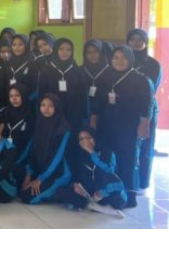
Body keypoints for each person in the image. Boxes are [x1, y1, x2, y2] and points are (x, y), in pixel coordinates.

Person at [90, 46, 152, 208]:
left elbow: (146, 105)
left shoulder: (140, 79)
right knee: (106, 158)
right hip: (106, 125)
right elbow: (97, 102)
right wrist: (93, 120)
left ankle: (130, 196)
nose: (119, 61)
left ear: (130, 59)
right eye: (116, 57)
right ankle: (109, 193)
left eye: (123, 57)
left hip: (129, 127)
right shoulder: (105, 77)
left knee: (127, 160)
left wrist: (144, 124)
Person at [57, 128, 127, 218]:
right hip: (91, 195)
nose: (85, 141)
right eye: (81, 139)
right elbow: (75, 177)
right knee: (61, 191)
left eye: (88, 137)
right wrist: (75, 185)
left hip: (110, 195)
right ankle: (97, 207)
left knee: (111, 180)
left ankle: (91, 206)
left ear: (95, 137)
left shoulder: (107, 153)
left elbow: (109, 171)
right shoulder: (79, 157)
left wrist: (92, 152)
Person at [19, 94, 73, 206]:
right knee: (19, 188)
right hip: (41, 170)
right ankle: (55, 192)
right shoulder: (38, 123)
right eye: (43, 105)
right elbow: (33, 152)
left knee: (27, 197)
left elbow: (57, 158)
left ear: (57, 107)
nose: (46, 109)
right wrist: (28, 176)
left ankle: (61, 191)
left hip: (58, 173)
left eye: (51, 106)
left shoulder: (64, 128)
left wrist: (40, 179)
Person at [128, 28, 164, 184]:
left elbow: (152, 88)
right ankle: (129, 178)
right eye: (133, 39)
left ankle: (143, 180)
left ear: (145, 42)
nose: (136, 43)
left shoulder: (153, 64)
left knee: (146, 145)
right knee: (128, 144)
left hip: (147, 109)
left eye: (140, 40)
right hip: (126, 109)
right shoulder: (123, 61)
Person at [37, 38, 89, 134]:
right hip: (52, 113)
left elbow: (83, 95)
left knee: (71, 139)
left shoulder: (77, 70)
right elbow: (42, 93)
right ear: (56, 50)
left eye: (68, 50)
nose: (65, 52)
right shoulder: (46, 70)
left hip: (73, 115)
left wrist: (84, 116)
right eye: (61, 49)